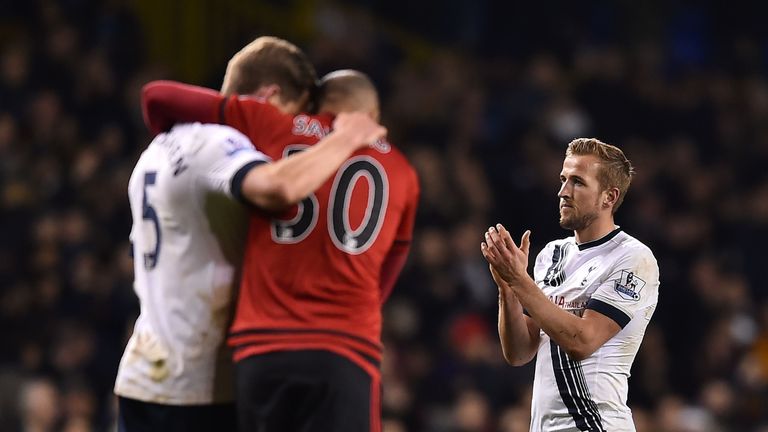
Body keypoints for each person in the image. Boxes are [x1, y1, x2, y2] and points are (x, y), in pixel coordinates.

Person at [114, 36, 388, 432]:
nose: (290, 138)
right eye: (292, 120)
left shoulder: (160, 147)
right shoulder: (220, 144)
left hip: (146, 375)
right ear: (268, 97)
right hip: (198, 389)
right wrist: (345, 137)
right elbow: (279, 188)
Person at [481, 138, 659, 432]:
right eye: (563, 180)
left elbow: (582, 341)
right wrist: (507, 291)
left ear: (608, 197)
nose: (563, 192)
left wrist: (520, 281)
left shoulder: (633, 258)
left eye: (577, 182)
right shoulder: (552, 254)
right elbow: (519, 352)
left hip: (595, 425)